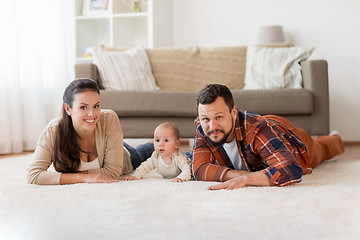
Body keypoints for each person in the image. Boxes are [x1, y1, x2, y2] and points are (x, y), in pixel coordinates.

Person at [192, 84, 344, 190]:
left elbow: (291, 169)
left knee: (324, 149)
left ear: (233, 112)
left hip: (292, 139)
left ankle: (336, 137)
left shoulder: (256, 130)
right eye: (206, 119)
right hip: (266, 126)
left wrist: (246, 179)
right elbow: (198, 168)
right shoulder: (203, 125)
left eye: (219, 117)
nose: (211, 126)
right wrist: (237, 174)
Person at [27, 79, 154, 185]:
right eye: (83, 107)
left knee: (146, 151)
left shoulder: (108, 119)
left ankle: (152, 142)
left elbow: (112, 172)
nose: (92, 114)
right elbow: (33, 175)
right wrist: (84, 178)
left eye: (96, 106)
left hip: (126, 155)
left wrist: (67, 177)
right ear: (68, 108)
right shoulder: (53, 131)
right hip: (109, 146)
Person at [124, 122, 191, 182]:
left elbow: (187, 169)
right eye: (157, 140)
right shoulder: (156, 156)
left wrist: (181, 178)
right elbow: (145, 167)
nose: (160, 144)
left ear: (176, 144)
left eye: (166, 140)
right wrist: (135, 175)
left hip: (188, 157)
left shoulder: (179, 156)